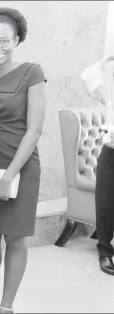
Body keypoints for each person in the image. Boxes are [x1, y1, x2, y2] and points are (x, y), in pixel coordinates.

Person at [0, 8, 47, 313]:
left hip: (22, 167)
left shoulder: (32, 73)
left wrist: (7, 177)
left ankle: (7, 306)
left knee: (15, 239)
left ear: (16, 40)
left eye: (3, 41)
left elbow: (35, 129)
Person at [80, 55, 114, 276]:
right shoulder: (108, 94)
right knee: (105, 204)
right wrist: (104, 62)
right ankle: (105, 251)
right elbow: (88, 77)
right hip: (111, 155)